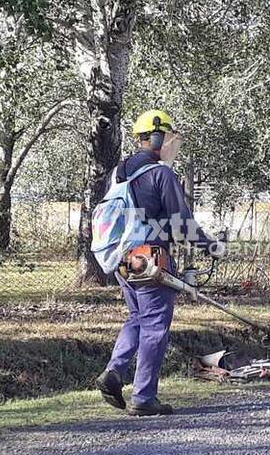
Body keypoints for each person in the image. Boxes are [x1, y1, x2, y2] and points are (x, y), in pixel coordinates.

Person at [96, 109, 226, 416]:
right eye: (170, 138)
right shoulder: (161, 174)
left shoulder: (119, 173)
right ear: (157, 138)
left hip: (122, 260)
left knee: (136, 318)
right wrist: (212, 246)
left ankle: (114, 371)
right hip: (151, 260)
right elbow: (182, 225)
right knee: (155, 325)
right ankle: (143, 398)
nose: (173, 145)